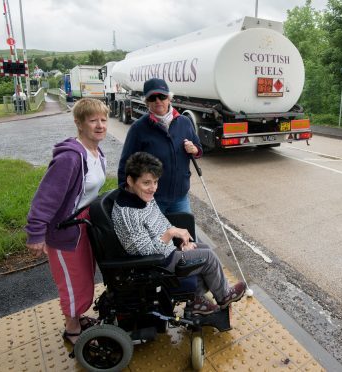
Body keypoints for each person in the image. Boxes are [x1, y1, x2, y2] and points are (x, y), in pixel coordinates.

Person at [112, 152, 245, 315]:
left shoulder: (141, 197)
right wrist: (170, 234)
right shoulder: (128, 213)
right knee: (208, 258)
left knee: (204, 249)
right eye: (146, 182)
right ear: (130, 180)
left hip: (165, 251)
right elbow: (144, 253)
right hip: (157, 264)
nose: (153, 188)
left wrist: (178, 241)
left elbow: (161, 221)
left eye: (155, 182)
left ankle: (195, 300)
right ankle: (223, 296)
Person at [25, 98, 109, 349]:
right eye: (93, 120)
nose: (100, 125)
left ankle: (79, 316)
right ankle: (72, 329)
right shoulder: (70, 158)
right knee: (71, 279)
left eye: (103, 120)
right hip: (65, 230)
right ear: (79, 124)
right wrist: (36, 233)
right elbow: (46, 197)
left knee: (84, 275)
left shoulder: (96, 151)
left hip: (83, 224)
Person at [117, 78, 202, 214]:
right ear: (147, 102)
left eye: (162, 96)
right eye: (152, 97)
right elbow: (125, 164)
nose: (158, 101)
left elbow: (198, 149)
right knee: (157, 235)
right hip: (151, 199)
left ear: (169, 99)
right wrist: (126, 194)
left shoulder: (185, 122)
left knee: (185, 234)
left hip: (180, 198)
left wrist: (195, 149)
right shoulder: (138, 128)